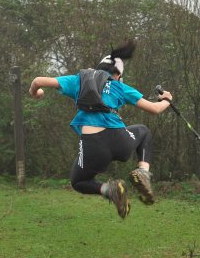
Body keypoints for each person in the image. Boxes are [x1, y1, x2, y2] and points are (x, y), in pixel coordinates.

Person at [28, 40, 173, 218]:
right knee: (143, 132)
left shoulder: (78, 80)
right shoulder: (120, 87)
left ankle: (109, 189)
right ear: (118, 74)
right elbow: (155, 109)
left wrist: (37, 93)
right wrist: (167, 100)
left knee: (79, 181)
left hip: (93, 147)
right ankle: (142, 172)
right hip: (120, 141)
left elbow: (38, 81)